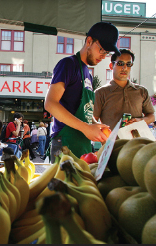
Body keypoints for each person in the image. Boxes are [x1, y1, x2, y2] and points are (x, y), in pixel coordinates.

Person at [45, 22, 119, 161]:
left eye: (107, 53)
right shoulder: (68, 65)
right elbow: (50, 104)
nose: (103, 56)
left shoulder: (88, 74)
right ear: (89, 41)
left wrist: (94, 124)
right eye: (102, 49)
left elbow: (84, 110)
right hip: (65, 143)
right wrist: (86, 128)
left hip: (83, 144)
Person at [94, 49, 155, 131]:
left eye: (128, 64)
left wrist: (140, 121)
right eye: (120, 63)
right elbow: (93, 120)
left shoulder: (141, 91)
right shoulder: (100, 93)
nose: (124, 68)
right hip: (113, 143)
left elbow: (152, 116)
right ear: (111, 66)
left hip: (138, 142)